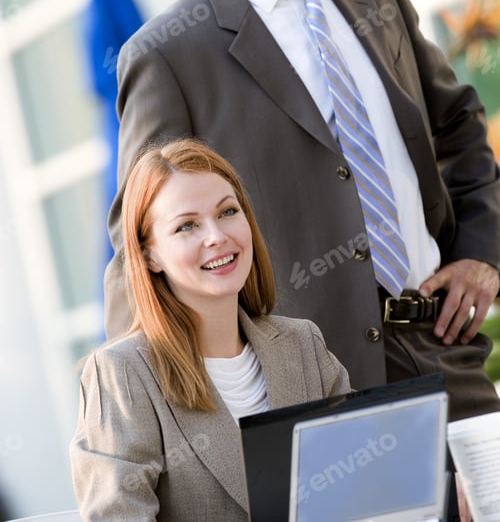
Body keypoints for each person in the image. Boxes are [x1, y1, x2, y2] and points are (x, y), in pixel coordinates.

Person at [104, 0, 500, 424]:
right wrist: (142, 422)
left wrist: (482, 252)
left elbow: (455, 122)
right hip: (316, 390)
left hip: (446, 351)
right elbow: (142, 241)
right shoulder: (169, 54)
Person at [70, 138, 350, 521]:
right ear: (150, 255)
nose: (216, 236)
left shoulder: (303, 344)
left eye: (227, 212)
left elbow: (361, 486)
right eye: (187, 225)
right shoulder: (123, 375)